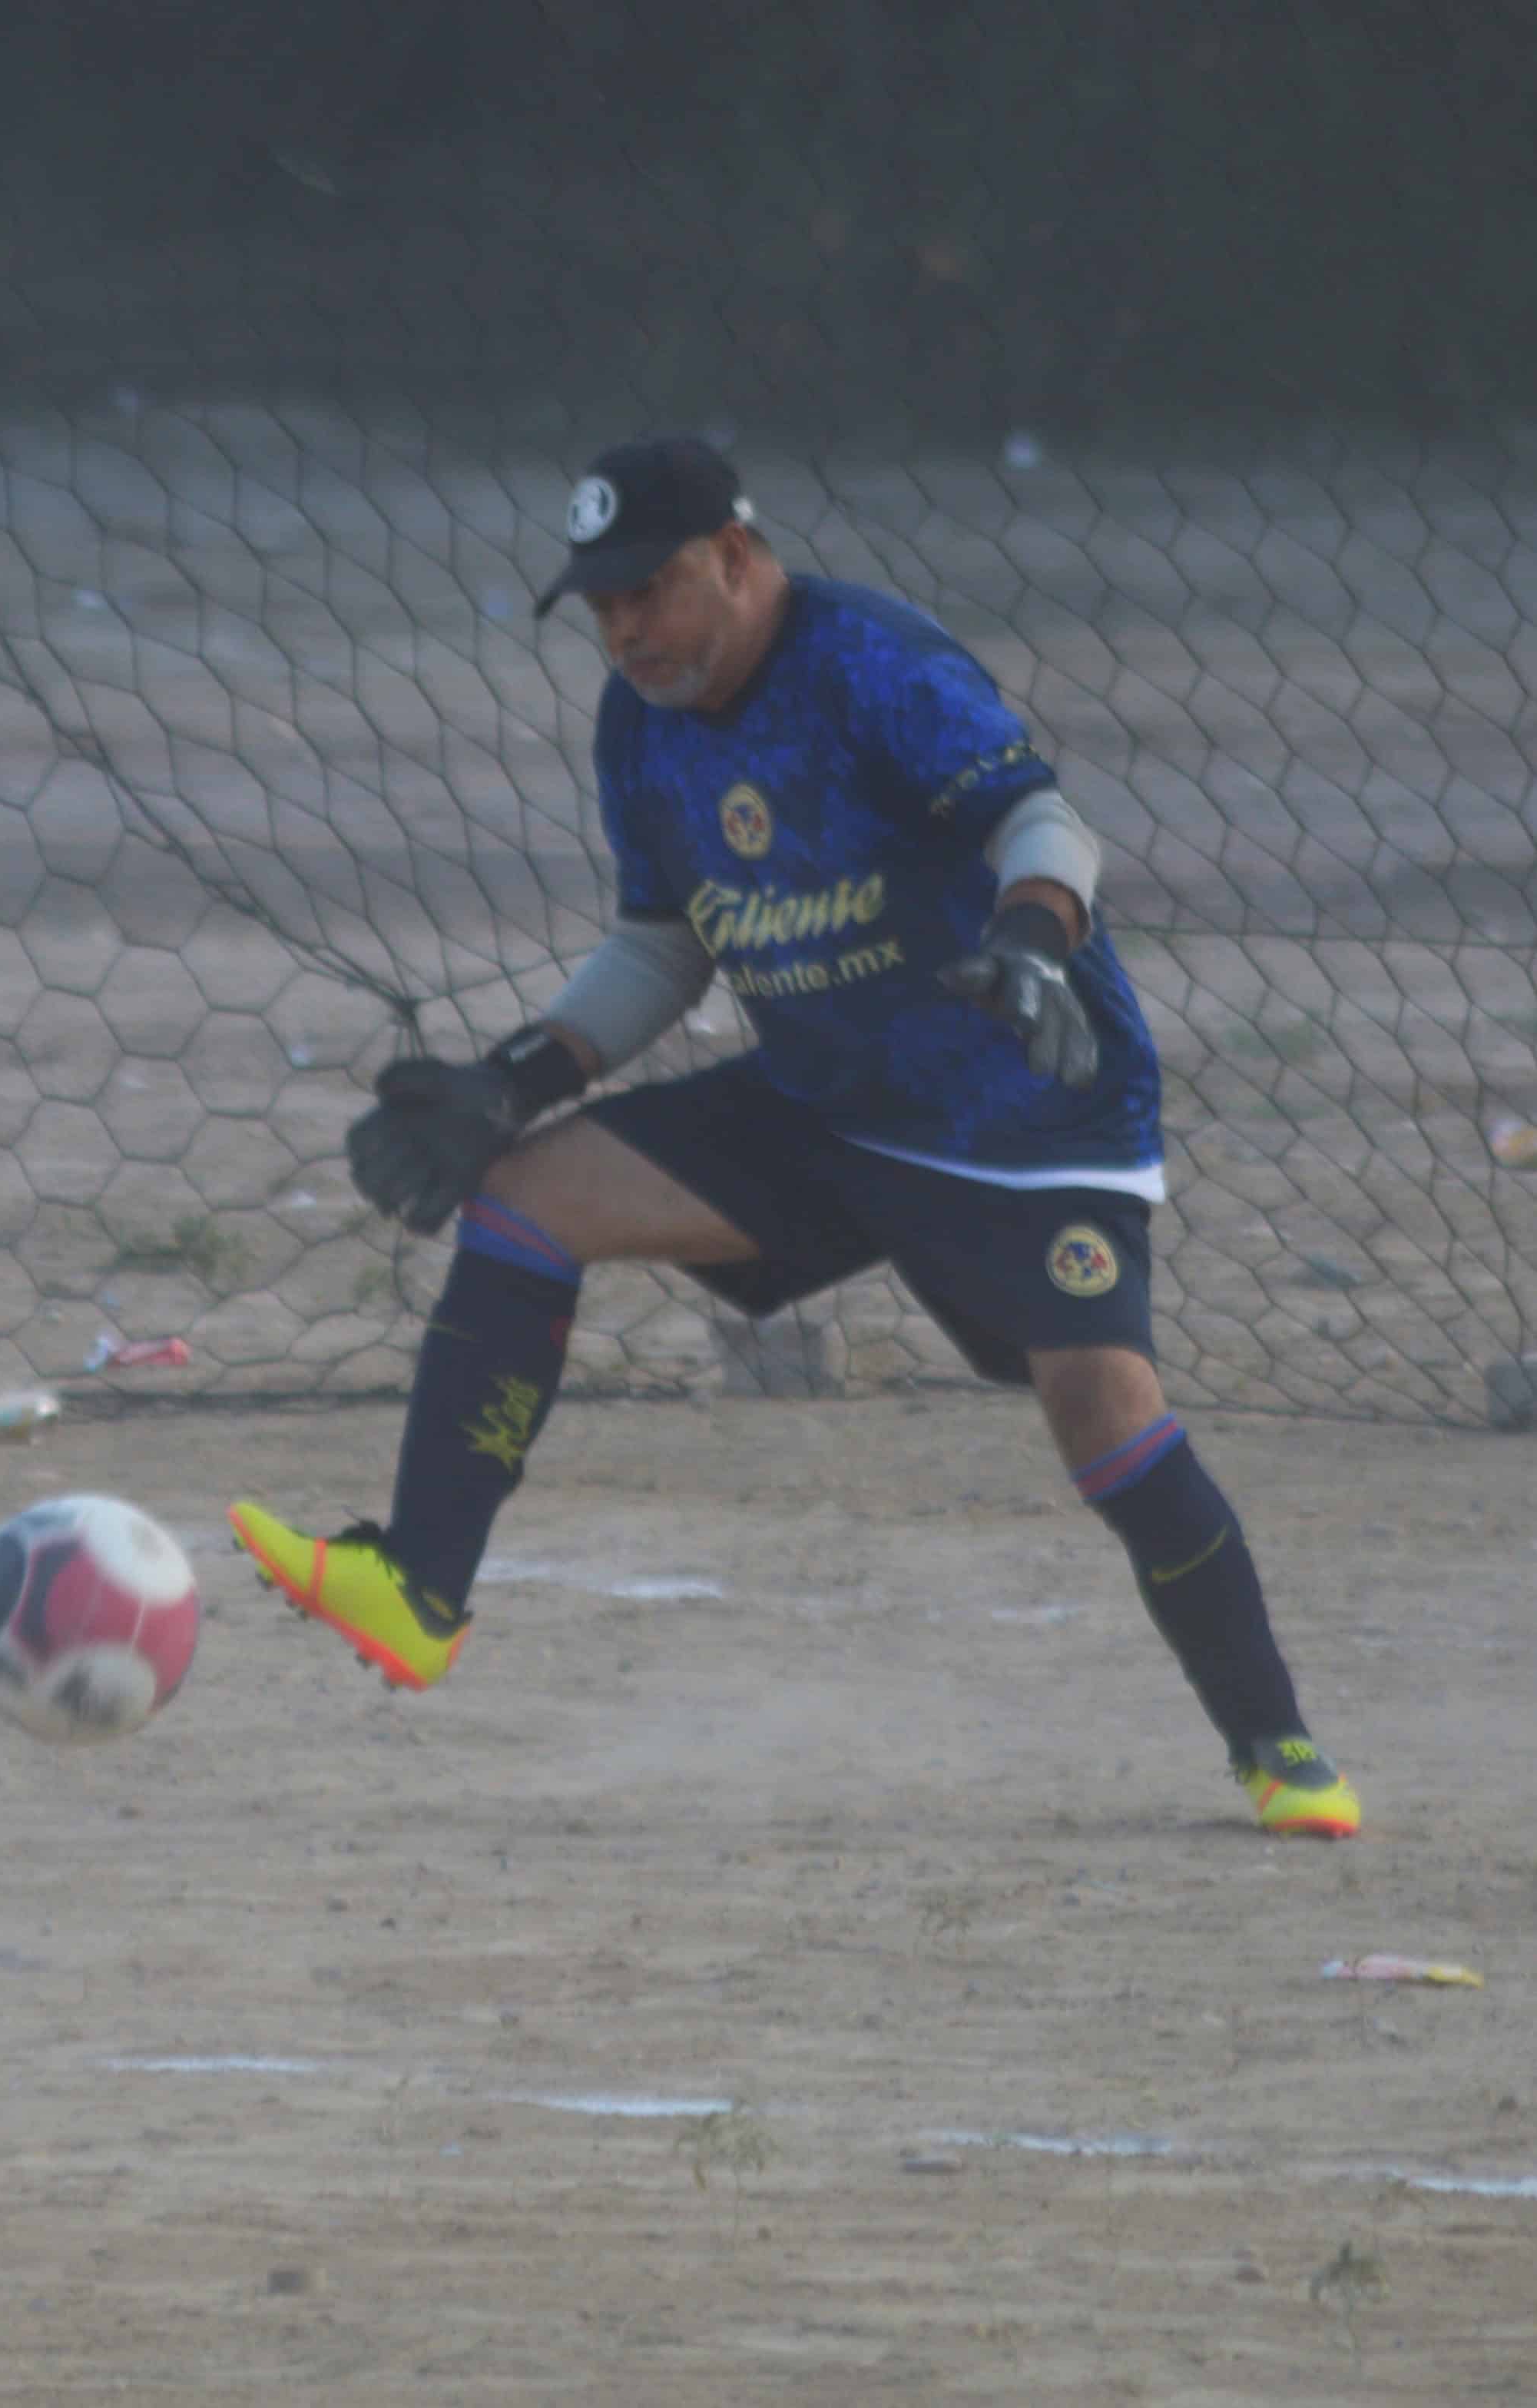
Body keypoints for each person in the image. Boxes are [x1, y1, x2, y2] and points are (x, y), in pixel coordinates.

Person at [228, 434, 1358, 1842]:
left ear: (737, 556)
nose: (627, 626)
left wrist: (1028, 948)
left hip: (1019, 1105)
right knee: (522, 1196)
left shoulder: (866, 661)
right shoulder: (637, 722)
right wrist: (513, 1080)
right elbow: (659, 948)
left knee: (1100, 1413)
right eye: (600, 602)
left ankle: (1277, 1747)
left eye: (652, 587)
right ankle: (416, 1586)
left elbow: (1043, 821)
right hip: (822, 1102)